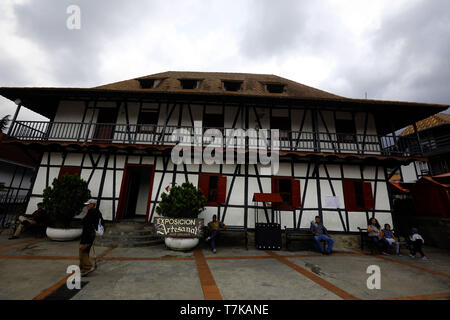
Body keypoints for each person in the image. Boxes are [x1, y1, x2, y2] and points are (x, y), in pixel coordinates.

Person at [79, 199, 104, 276]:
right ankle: (83, 269)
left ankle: (87, 267)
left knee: (82, 250)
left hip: (88, 234)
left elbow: (86, 222)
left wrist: (83, 219)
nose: (87, 206)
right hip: (91, 234)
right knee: (85, 251)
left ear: (92, 205)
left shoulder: (91, 212)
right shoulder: (97, 212)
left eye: (88, 204)